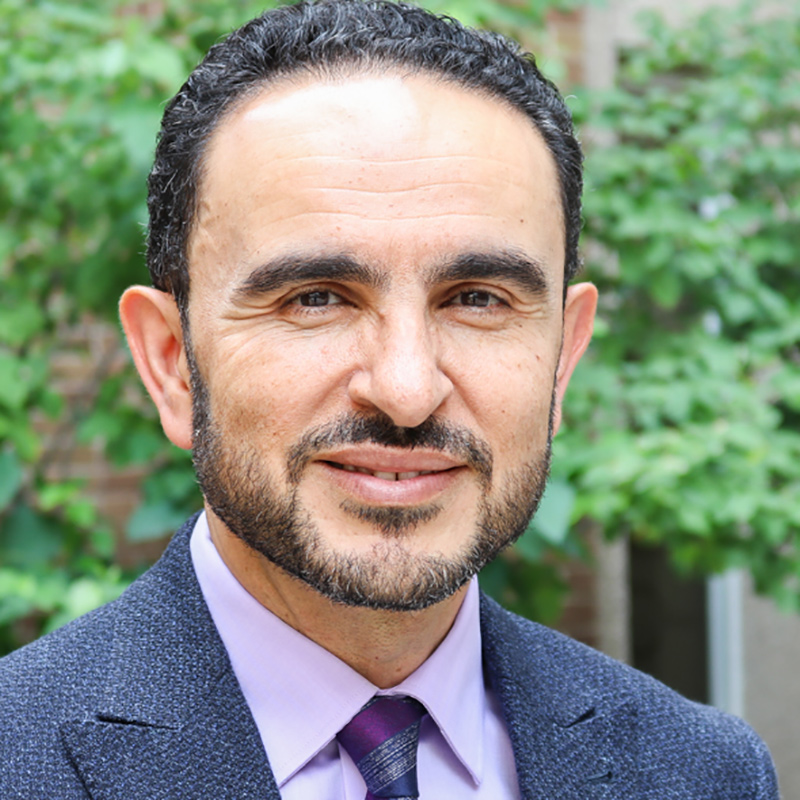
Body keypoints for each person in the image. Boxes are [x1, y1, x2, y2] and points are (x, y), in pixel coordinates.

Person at [0, 1, 778, 798]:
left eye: (477, 300)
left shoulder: (704, 774)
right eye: (315, 299)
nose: (407, 390)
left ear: (562, 360)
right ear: (172, 363)